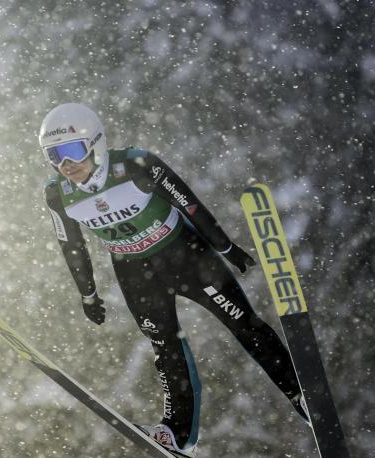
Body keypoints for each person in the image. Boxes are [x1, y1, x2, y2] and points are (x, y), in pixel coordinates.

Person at [39, 103, 309, 456]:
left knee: (243, 323)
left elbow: (189, 204)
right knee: (165, 349)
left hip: (185, 255)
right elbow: (70, 245)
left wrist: (225, 247)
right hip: (134, 270)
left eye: (72, 150)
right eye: (54, 156)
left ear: (96, 144)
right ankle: (178, 435)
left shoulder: (135, 165)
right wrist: (88, 294)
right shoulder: (58, 194)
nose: (66, 165)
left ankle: (299, 394)